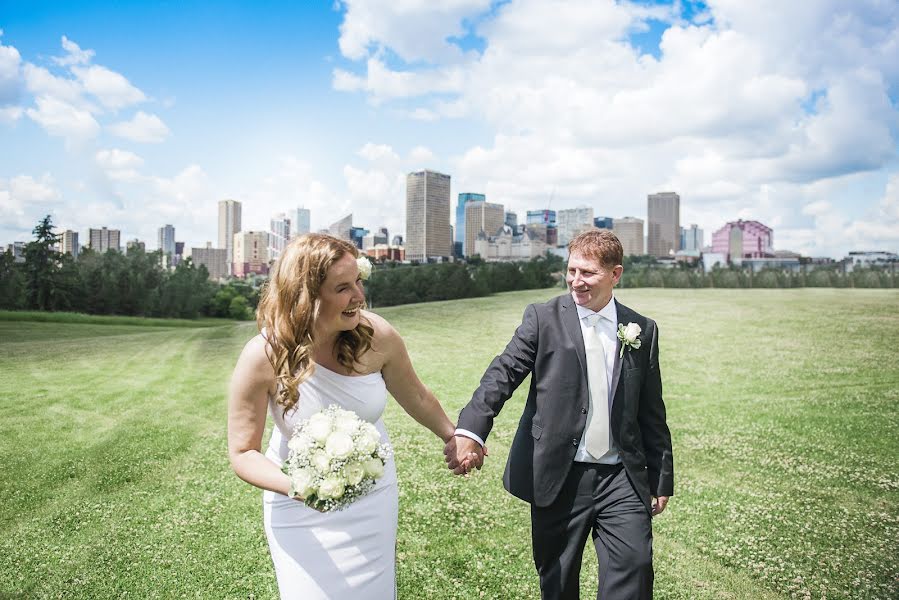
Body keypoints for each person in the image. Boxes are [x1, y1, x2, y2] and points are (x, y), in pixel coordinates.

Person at [228, 233, 460, 599]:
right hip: (297, 508)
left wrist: (453, 436)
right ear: (306, 296)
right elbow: (243, 453)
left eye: (359, 282)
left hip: (373, 498)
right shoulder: (263, 356)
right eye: (343, 288)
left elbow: (416, 395)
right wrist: (299, 487)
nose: (359, 297)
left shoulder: (377, 335)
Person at [446, 229, 674, 599]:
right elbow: (503, 373)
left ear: (615, 275)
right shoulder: (543, 318)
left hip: (622, 476)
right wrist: (471, 431)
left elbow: (651, 411)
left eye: (588, 273)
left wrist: (661, 476)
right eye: (571, 271)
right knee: (558, 581)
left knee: (635, 569)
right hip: (558, 474)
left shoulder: (641, 330)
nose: (576, 281)